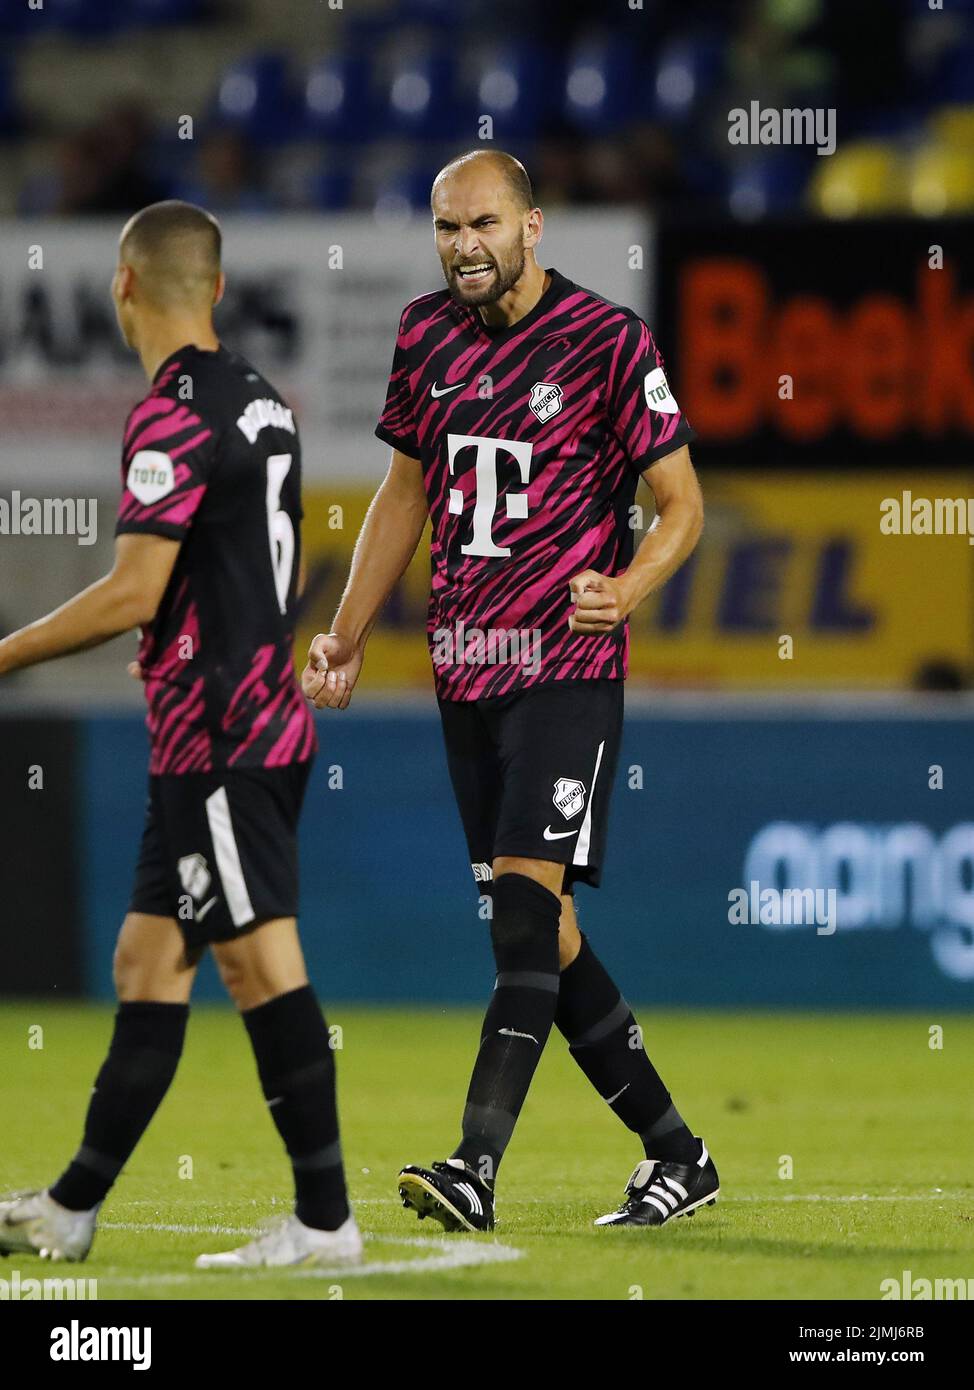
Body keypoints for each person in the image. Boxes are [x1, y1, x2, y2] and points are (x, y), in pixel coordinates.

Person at [303, 149, 717, 1232]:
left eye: (481, 224)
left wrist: (627, 588)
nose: (462, 246)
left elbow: (680, 505)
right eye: (445, 229)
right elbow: (403, 496)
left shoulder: (607, 342)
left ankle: (472, 1166)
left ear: (532, 226)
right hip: (465, 675)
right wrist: (344, 634)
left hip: (565, 673)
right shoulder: (420, 334)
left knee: (524, 915)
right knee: (541, 929)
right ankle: (677, 1151)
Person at [0, 200, 360, 1269]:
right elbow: (234, 569)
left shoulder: (167, 415)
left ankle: (326, 1219)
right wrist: (172, 635)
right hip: (220, 725)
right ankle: (69, 1207)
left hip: (223, 740)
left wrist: (8, 653)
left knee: (256, 962)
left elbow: (134, 585)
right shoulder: (259, 401)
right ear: (213, 286)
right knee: (147, 959)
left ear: (123, 287)